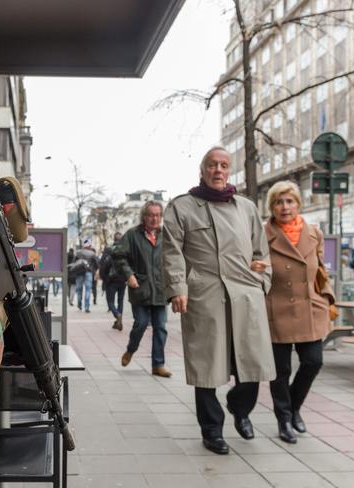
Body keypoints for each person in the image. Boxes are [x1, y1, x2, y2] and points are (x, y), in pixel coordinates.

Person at [162, 147, 275, 455]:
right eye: (212, 165)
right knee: (206, 367)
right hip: (205, 294)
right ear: (203, 170)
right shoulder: (182, 207)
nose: (218, 170)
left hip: (245, 293)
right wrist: (178, 288)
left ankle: (241, 408)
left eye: (224, 165)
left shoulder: (246, 207)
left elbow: (260, 252)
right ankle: (212, 430)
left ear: (229, 170)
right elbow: (171, 251)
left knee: (252, 363)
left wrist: (262, 282)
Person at [264, 181, 337, 444]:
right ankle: (284, 419)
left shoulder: (314, 233)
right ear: (271, 206)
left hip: (309, 307)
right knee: (280, 370)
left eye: (289, 201)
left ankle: (293, 408)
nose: (284, 207)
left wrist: (327, 296)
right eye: (278, 202)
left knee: (313, 361)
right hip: (277, 308)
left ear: (298, 204)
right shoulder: (263, 234)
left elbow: (320, 270)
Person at [114, 201, 172, 378]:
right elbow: (118, 256)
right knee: (140, 324)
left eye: (157, 215)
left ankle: (158, 364)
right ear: (144, 217)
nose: (154, 219)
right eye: (151, 215)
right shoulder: (132, 235)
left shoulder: (167, 235)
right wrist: (129, 275)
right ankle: (131, 350)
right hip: (140, 288)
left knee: (160, 327)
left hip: (161, 289)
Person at [99, 232, 127, 330]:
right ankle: (118, 321)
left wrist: (104, 278)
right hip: (123, 279)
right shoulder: (125, 249)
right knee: (120, 301)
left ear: (114, 239)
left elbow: (102, 264)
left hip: (111, 280)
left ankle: (117, 315)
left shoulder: (108, 249)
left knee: (110, 302)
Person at [74, 240, 99, 312]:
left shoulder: (78, 252)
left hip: (79, 273)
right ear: (90, 246)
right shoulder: (92, 253)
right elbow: (97, 264)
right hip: (88, 273)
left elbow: (74, 263)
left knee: (79, 290)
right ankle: (87, 307)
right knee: (88, 290)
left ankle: (79, 305)